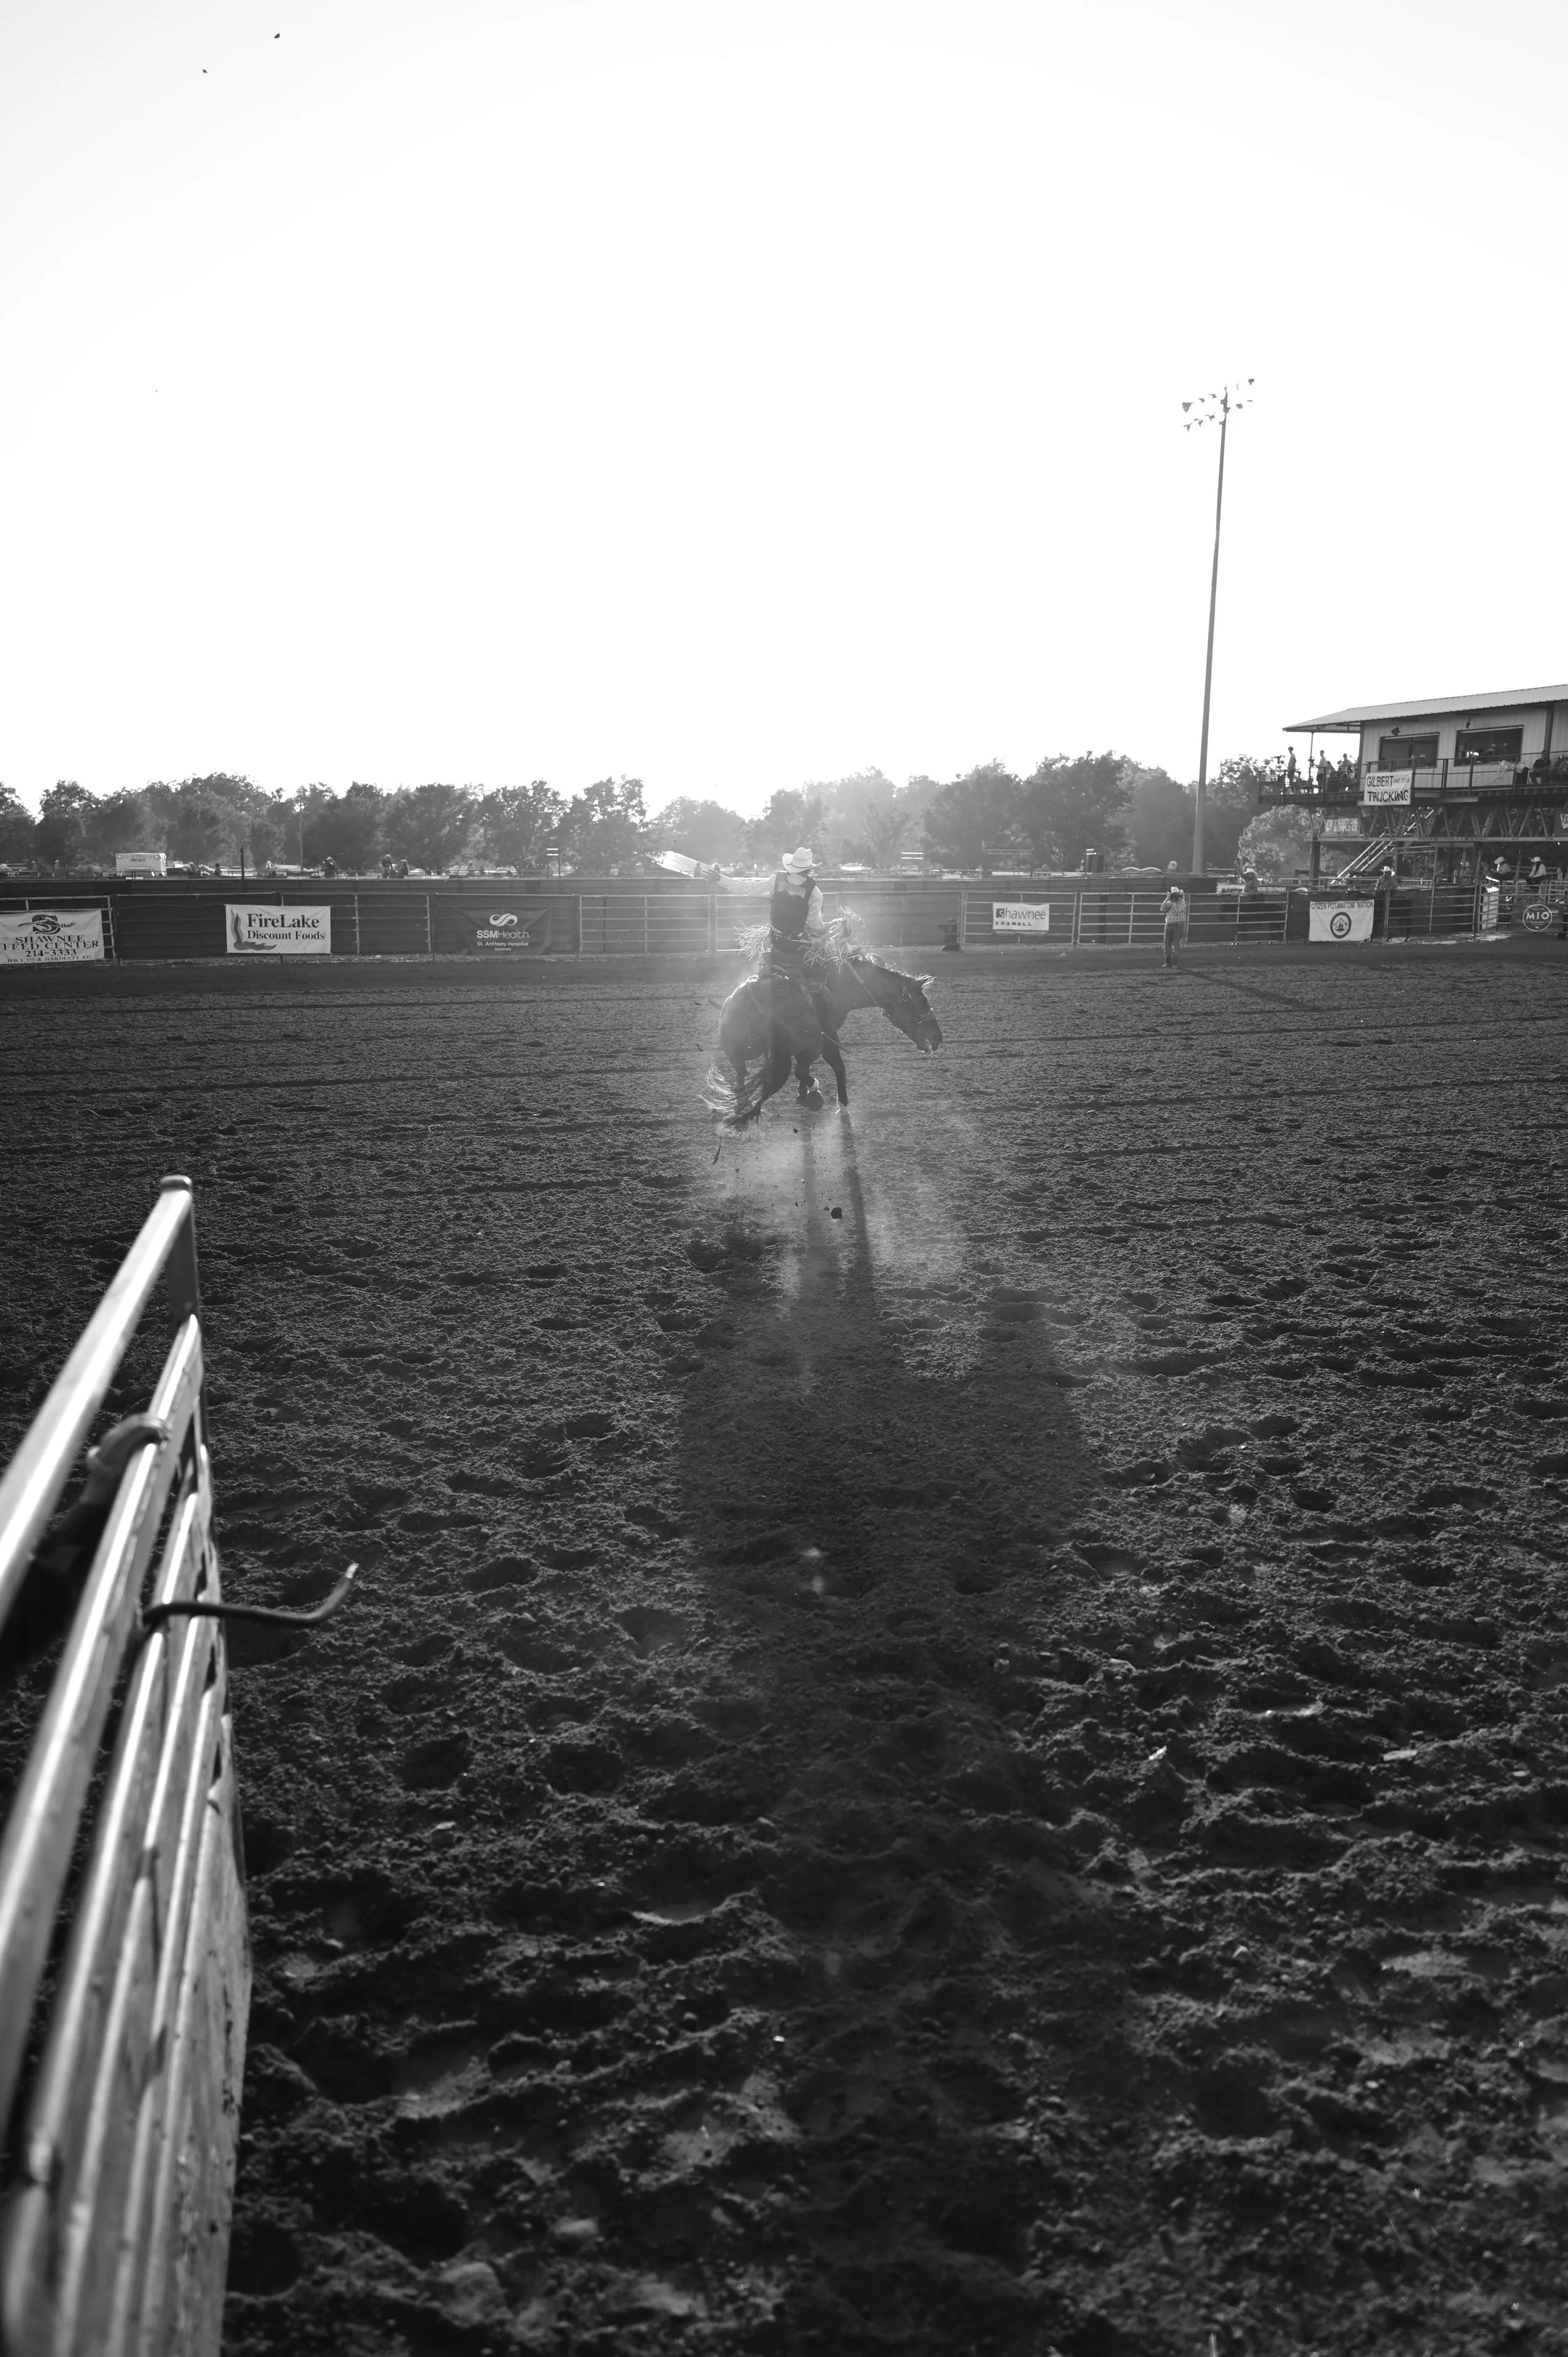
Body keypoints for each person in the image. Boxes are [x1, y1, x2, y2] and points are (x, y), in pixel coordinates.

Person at [768, 846, 835, 1104]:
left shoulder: (775, 881)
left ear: (790, 867)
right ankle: (820, 1025)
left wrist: (719, 879)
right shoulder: (814, 892)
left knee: (765, 971)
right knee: (819, 980)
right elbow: (816, 924)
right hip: (796, 948)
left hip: (774, 944)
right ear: (810, 870)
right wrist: (823, 933)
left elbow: (745, 887)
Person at [1160, 881, 1188, 969]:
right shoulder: (1169, 902)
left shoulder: (1182, 903)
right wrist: (1167, 899)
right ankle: (1168, 963)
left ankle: (1175, 963)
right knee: (1167, 945)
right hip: (1168, 925)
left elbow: (1178, 911)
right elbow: (1162, 909)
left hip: (1177, 925)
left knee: (1176, 945)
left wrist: (1172, 903)